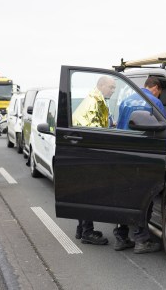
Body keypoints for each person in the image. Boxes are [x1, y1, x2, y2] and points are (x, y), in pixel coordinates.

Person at [113, 76, 166, 253]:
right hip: (144, 157)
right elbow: (162, 132)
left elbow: (119, 129)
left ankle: (121, 237)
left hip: (125, 156)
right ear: (156, 88)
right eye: (160, 92)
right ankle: (141, 240)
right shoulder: (155, 102)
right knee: (144, 198)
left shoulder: (126, 101)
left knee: (124, 197)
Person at [71, 75, 116, 245]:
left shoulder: (96, 99)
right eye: (111, 87)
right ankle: (87, 233)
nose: (113, 90)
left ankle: (81, 228)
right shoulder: (93, 103)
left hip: (83, 155)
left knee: (84, 192)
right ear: (102, 85)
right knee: (89, 194)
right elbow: (95, 133)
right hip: (88, 155)